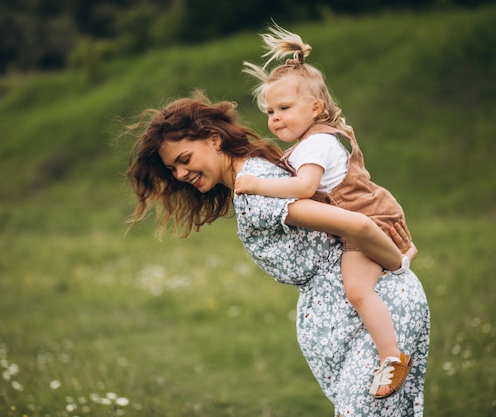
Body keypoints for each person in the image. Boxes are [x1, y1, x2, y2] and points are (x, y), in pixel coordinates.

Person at [126, 91, 430, 416]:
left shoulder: (256, 189)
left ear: (214, 140)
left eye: (184, 160)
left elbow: (359, 225)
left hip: (375, 319)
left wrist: (401, 262)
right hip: (361, 321)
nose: (181, 175)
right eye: (173, 169)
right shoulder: (256, 177)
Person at [234, 23, 412, 398]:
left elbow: (303, 189)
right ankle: (400, 257)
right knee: (361, 284)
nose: (275, 118)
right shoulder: (313, 141)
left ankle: (392, 357)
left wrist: (256, 185)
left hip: (368, 219)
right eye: (270, 111)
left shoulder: (316, 145)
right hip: (367, 213)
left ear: (315, 107)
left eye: (284, 108)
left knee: (357, 290)